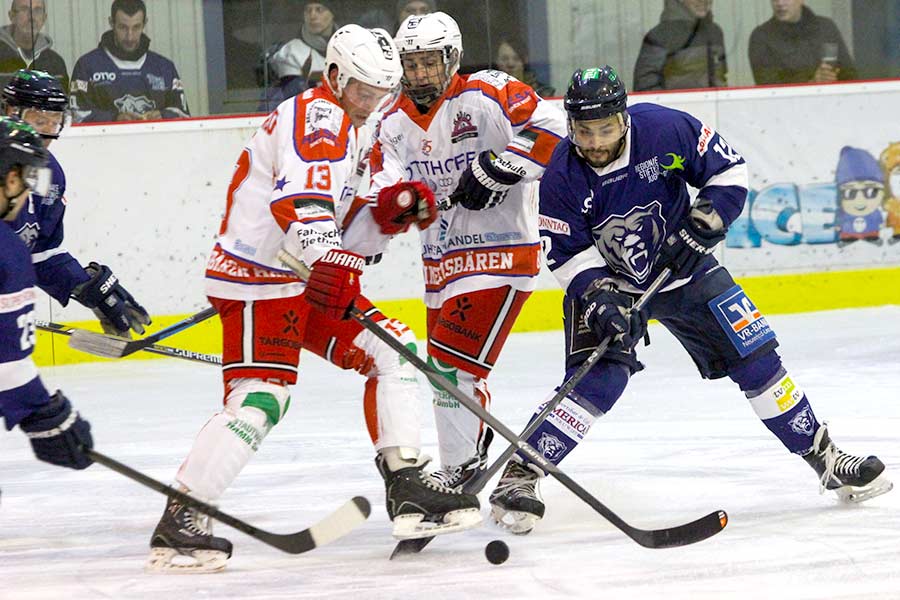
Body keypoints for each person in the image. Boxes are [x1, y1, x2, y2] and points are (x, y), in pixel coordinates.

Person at [488, 65, 893, 534]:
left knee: (757, 359)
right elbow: (566, 253)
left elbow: (730, 170)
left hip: (689, 271)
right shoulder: (562, 173)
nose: (595, 141)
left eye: (605, 128)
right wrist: (601, 297)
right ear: (571, 126)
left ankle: (824, 458)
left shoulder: (665, 129)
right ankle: (521, 473)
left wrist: (704, 223)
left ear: (624, 118)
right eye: (584, 130)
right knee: (600, 380)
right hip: (608, 283)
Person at [146, 24, 480, 573]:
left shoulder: (358, 125)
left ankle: (409, 490)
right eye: (363, 91)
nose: (373, 103)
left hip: (300, 278)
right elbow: (302, 203)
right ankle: (183, 517)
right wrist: (331, 258)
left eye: (382, 93)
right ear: (334, 76)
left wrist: (392, 207)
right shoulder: (317, 116)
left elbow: (352, 214)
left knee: (393, 350)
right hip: (259, 280)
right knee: (260, 398)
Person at [353, 12, 567, 494]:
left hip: (504, 253)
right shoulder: (389, 120)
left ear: (451, 58)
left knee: (450, 364)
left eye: (430, 63)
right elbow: (381, 189)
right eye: (411, 64)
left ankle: (461, 464)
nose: (420, 74)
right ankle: (468, 453)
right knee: (448, 371)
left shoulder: (488, 90)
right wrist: (388, 215)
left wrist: (500, 166)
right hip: (442, 264)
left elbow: (554, 129)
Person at [2, 69, 150, 336]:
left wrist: (89, 289)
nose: (47, 133)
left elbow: (41, 253)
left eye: (54, 121)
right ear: (12, 112)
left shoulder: (50, 176)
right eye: (39, 120)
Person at [0, 116, 94, 481]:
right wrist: (42, 413)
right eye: (27, 179)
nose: (28, 194)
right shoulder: (8, 252)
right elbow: (7, 363)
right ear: (11, 179)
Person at [69, 0, 189, 122]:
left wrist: (163, 116)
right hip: (106, 141)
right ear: (112, 23)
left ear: (144, 23)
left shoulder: (165, 68)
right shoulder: (87, 66)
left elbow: (184, 116)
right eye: (123, 27)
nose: (130, 36)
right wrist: (114, 119)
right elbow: (76, 115)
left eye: (136, 27)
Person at [749, 0, 857, 85]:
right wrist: (812, 83)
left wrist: (831, 77)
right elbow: (768, 90)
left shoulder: (826, 28)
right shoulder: (761, 37)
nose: (780, 4)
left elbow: (850, 75)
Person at [259, 1, 339, 111]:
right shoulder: (290, 53)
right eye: (308, 10)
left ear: (332, 14)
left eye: (319, 10)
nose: (312, 16)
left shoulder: (348, 47)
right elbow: (294, 103)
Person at [633, 0, 726, 91]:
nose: (704, 1)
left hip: (711, 104)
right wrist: (669, 103)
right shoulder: (661, 35)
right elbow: (645, 84)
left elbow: (720, 77)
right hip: (674, 105)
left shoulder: (714, 32)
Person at [0, 0, 68, 91]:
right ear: (12, 16)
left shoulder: (55, 63)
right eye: (24, 9)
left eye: (37, 11)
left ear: (44, 18)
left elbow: (62, 103)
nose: (31, 17)